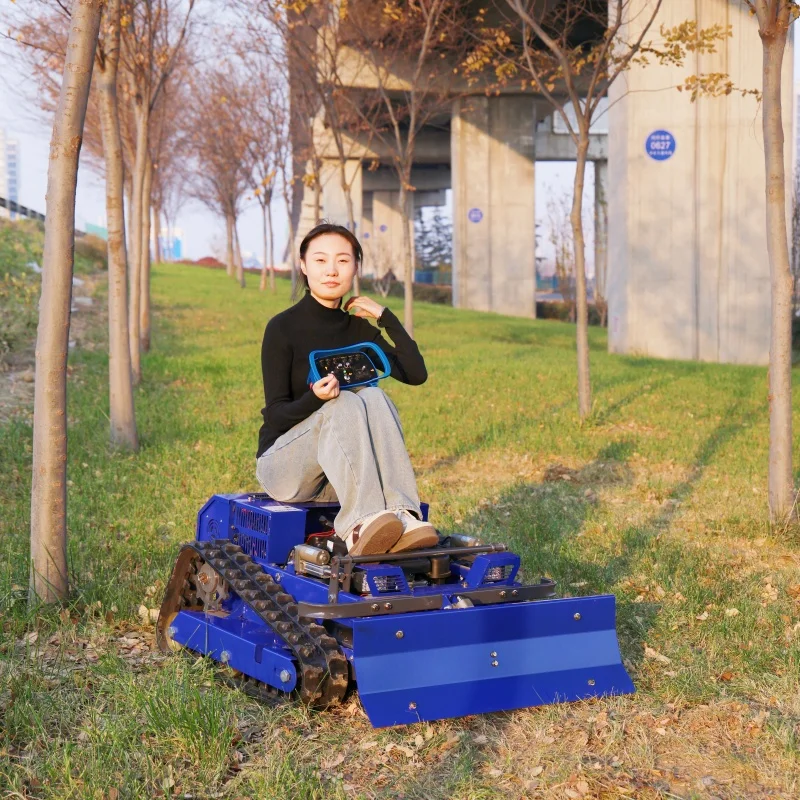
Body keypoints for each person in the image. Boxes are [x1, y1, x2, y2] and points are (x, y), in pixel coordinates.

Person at [255, 222, 438, 557]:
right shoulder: (282, 328)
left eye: (342, 260)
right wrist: (316, 399)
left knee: (373, 395)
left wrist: (386, 317)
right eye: (321, 260)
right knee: (343, 404)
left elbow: (416, 374)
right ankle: (359, 525)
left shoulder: (359, 329)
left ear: (355, 267)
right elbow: (277, 414)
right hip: (285, 469)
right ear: (303, 266)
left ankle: (403, 513)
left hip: (341, 479)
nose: (331, 271)